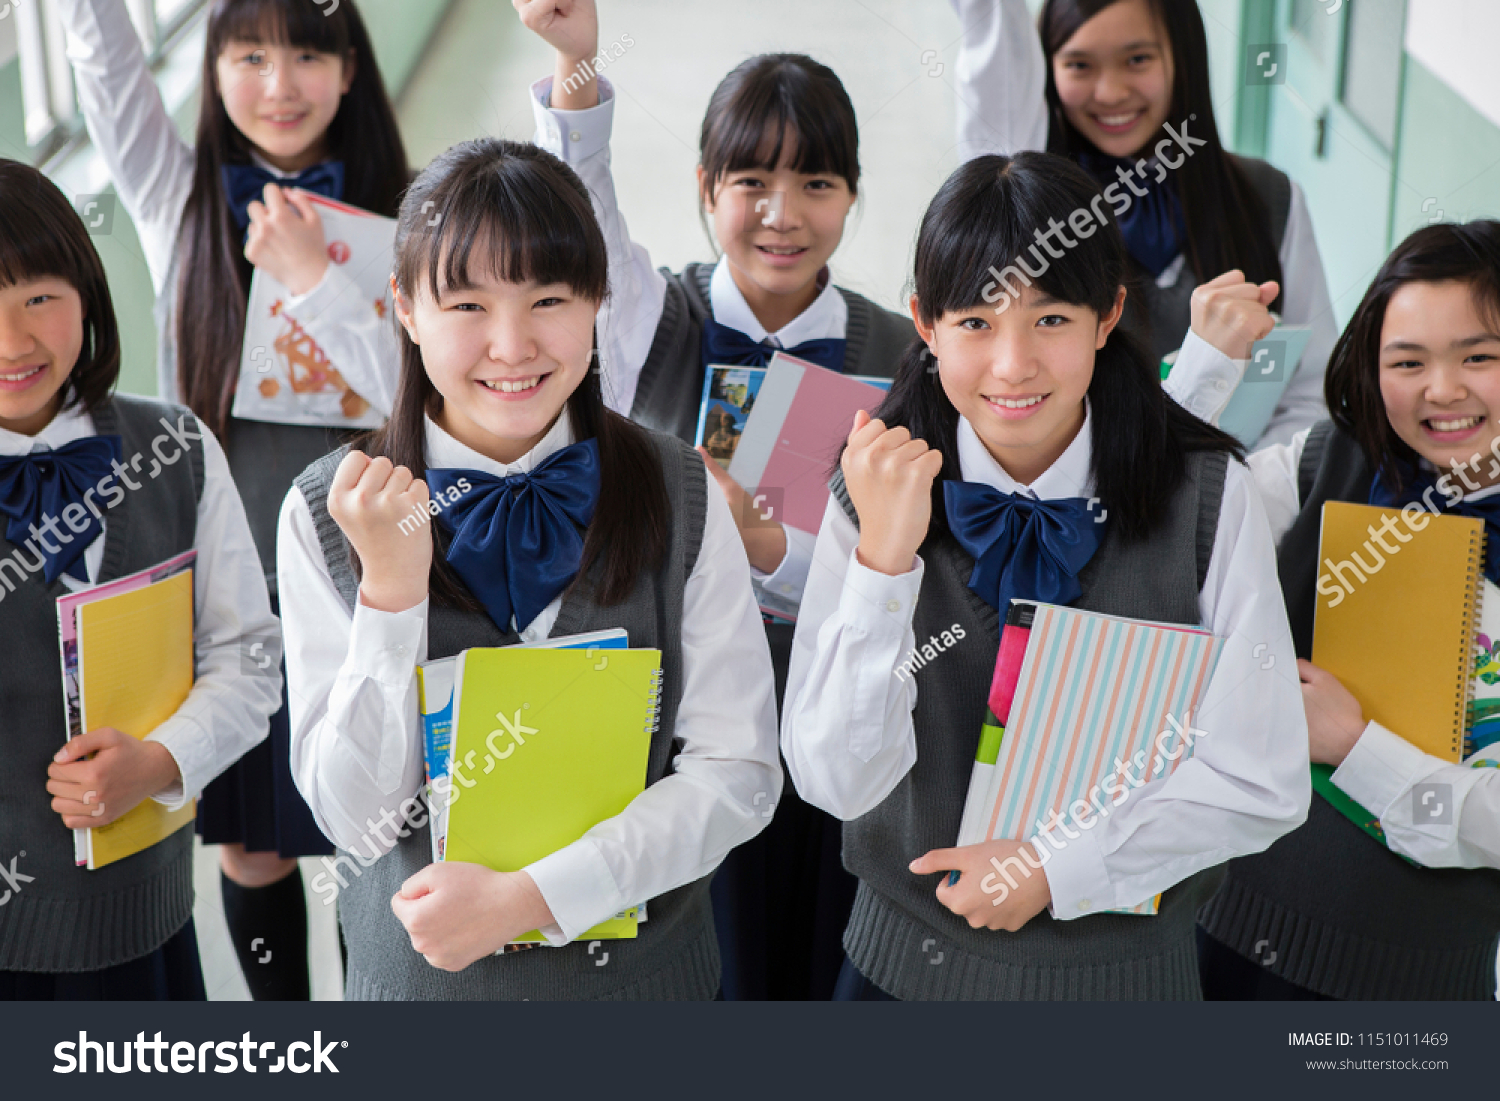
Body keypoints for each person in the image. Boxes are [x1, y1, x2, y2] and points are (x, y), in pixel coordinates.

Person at [781, 151, 1309, 1000]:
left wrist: (1057, 866)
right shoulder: (873, 489)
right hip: (900, 974)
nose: (1013, 365)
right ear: (924, 322)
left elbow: (1264, 775)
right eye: (976, 323)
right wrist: (886, 564)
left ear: (1109, 316)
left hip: (1125, 989)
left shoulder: (1212, 495)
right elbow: (837, 780)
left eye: (1052, 319)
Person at [278, 137, 781, 999]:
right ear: (402, 305)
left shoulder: (682, 490)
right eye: (467, 305)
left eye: (548, 298)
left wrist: (534, 897)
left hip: (643, 993)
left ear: (596, 300)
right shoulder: (326, 507)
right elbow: (354, 816)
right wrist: (390, 595)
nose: (512, 347)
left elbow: (738, 771)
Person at [515, 0, 913, 998]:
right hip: (683, 702)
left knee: (820, 940)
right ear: (705, 189)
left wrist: (773, 544)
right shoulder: (653, 317)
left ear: (852, 196)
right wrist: (576, 62)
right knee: (705, 944)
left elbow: (907, 558)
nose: (782, 214)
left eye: (816, 183)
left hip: (831, 693)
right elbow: (584, 196)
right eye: (751, 181)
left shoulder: (901, 357)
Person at [55, 0, 409, 998]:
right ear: (212, 73)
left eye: (305, 54)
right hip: (230, 593)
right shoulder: (180, 202)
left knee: (367, 839)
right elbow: (112, 76)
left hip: (359, 580)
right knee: (254, 849)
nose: (279, 84)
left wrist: (312, 280)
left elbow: (422, 389)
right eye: (249, 56)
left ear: (349, 69)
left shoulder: (408, 211)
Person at [1169, 220, 1500, 999]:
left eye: (1479, 356)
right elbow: (1155, 533)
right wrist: (1205, 370)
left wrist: (1358, 748)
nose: (1442, 389)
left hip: (1404, 993)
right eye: (1407, 360)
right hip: (1200, 930)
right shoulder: (1325, 462)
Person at [0, 159, 280, 999]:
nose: (14, 341)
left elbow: (248, 658)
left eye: (39, 297)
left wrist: (162, 760)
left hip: (142, 921)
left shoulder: (179, 448)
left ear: (88, 293)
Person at [951, 0, 1336, 446]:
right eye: (1079, 64)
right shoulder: (1027, 209)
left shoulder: (1268, 199)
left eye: (1137, 59)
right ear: (1045, 69)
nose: (1111, 92)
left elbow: (1310, 392)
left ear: (1182, 56)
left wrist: (1241, 495)